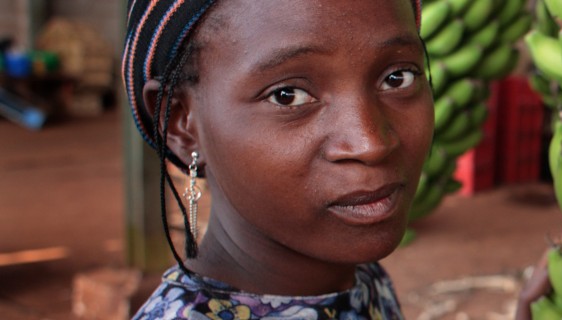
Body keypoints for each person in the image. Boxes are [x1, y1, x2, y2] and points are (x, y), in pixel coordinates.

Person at [124, 0, 434, 318]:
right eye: (288, 95)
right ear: (181, 124)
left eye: (398, 77)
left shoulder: (362, 279)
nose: (371, 144)